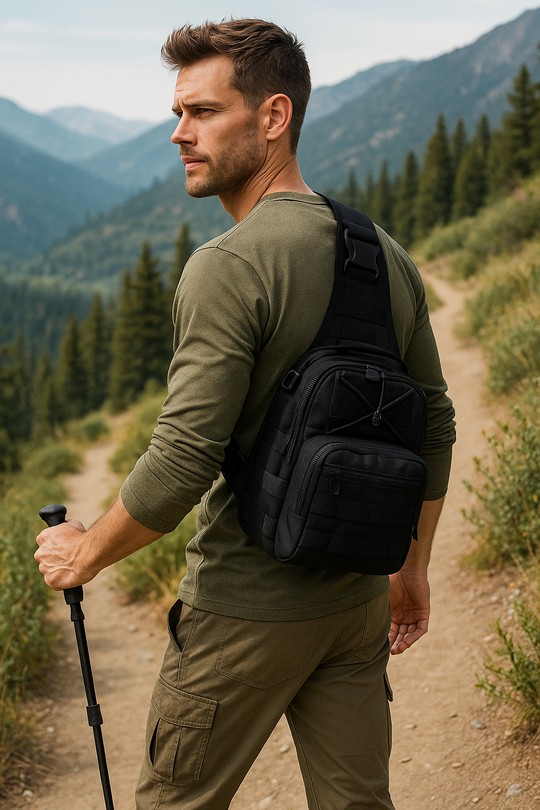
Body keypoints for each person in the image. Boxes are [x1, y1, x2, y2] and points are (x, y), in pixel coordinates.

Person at [35, 19, 456, 810]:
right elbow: (434, 426)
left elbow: (184, 458)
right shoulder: (384, 252)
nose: (177, 134)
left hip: (242, 612)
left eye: (200, 112)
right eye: (176, 113)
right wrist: (411, 564)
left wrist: (85, 552)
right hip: (355, 604)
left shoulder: (228, 266)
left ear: (273, 117)